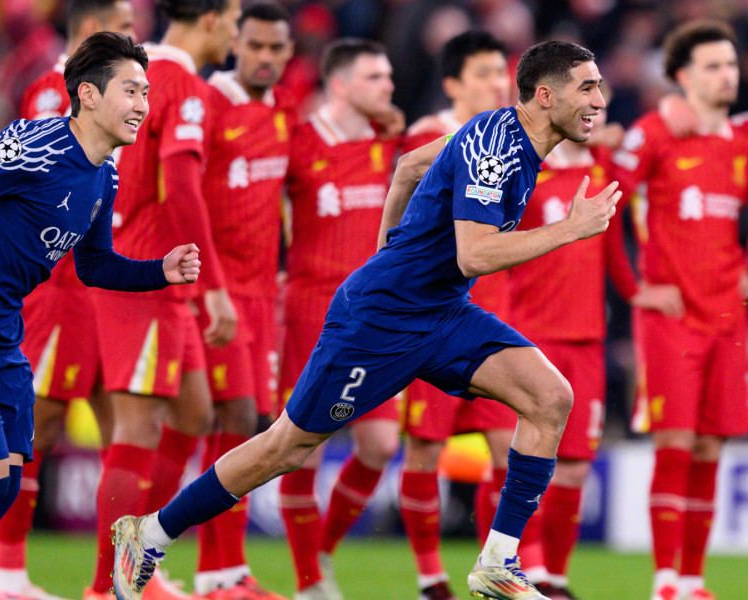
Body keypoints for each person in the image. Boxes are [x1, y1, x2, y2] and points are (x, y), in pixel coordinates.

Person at [112, 39, 621, 600]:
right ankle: (150, 532)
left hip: (441, 312)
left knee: (550, 398)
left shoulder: (502, 131)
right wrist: (571, 229)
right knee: (287, 445)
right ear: (546, 96)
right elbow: (474, 254)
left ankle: (499, 559)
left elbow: (408, 166)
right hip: (380, 322)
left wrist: (386, 250)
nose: (600, 98)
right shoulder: (497, 150)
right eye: (588, 86)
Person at [0, 31, 203, 589]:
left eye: (147, 93)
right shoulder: (35, 144)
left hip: (2, 334)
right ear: (87, 94)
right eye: (132, 91)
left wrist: (160, 269)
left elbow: (94, 267)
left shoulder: (104, 175)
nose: (143, 106)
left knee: (7, 483)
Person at [87, 1, 240, 599]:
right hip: (146, 269)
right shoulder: (180, 86)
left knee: (195, 413)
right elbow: (179, 187)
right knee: (138, 425)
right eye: (232, 18)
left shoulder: (154, 82)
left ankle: (140, 561)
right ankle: (107, 587)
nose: (232, 29)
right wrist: (214, 288)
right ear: (210, 20)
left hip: (159, 272)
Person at [0, 3, 136, 599]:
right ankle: (7, 574)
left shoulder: (123, 91)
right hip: (59, 288)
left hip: (103, 286)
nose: (133, 26)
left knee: (125, 430)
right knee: (37, 425)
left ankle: (115, 581)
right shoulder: (55, 91)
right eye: (123, 16)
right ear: (94, 19)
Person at [506, 106, 683, 600]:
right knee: (515, 456)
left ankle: (554, 579)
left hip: (586, 335)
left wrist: (634, 292)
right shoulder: (522, 165)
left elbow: (610, 243)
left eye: (598, 94)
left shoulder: (600, 162)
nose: (593, 104)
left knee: (577, 466)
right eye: (584, 92)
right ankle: (523, 568)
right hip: (529, 332)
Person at [611, 20, 748, 600]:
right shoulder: (653, 133)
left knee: (712, 447)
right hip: (670, 314)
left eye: (732, 64)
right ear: (683, 77)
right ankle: (665, 580)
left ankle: (692, 580)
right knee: (675, 442)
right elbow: (606, 203)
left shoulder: (741, 139)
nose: (728, 75)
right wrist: (634, 288)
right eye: (714, 66)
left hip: (730, 317)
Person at [276, 38, 402, 600]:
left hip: (376, 314)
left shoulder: (390, 143)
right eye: (377, 77)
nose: (389, 86)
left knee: (378, 444)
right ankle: (309, 583)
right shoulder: (298, 145)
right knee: (305, 446)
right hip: (312, 309)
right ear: (342, 85)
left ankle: (319, 553)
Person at [396, 31, 519, 600]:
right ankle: (428, 577)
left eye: (502, 72)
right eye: (484, 73)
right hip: (431, 312)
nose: (498, 82)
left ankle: (496, 565)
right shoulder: (427, 139)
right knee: (425, 446)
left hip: (491, 310)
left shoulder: (513, 144)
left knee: (505, 446)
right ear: (452, 84)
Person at [192, 3, 294, 598]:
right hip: (216, 290)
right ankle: (214, 571)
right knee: (226, 419)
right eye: (254, 45)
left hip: (261, 295)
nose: (264, 57)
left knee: (246, 424)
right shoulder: (210, 103)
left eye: (275, 48)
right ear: (236, 44)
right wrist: (208, 288)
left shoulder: (282, 112)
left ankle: (226, 569)